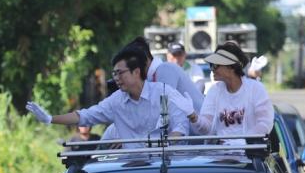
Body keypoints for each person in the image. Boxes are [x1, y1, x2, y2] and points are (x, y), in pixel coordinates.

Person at [26, 45, 190, 146]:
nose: (116, 79)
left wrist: (166, 144)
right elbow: (85, 116)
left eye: (120, 73)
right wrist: (50, 119)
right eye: (114, 74)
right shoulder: (116, 101)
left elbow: (181, 125)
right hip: (132, 170)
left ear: (136, 72)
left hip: (167, 167)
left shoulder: (163, 92)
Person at [190, 41, 273, 140]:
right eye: (211, 65)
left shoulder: (256, 89)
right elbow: (207, 128)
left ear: (231, 67)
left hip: (250, 153)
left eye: (216, 65)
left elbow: (265, 123)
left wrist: (244, 141)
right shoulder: (214, 91)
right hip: (222, 153)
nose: (212, 69)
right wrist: (193, 116)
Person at [129, 36, 204, 113]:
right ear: (168, 55)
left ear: (145, 58)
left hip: (200, 122)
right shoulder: (158, 71)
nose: (131, 67)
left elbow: (164, 112)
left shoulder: (164, 69)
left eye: (132, 62)